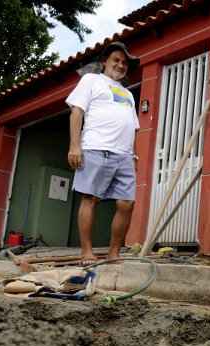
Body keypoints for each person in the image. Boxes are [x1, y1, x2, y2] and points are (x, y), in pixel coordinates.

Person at [65, 42, 140, 264]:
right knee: (90, 199)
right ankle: (86, 251)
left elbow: (131, 126)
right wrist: (74, 145)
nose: (120, 65)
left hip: (124, 155)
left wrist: (133, 154)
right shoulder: (91, 80)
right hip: (96, 148)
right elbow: (77, 111)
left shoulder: (128, 94)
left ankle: (113, 252)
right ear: (105, 62)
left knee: (127, 203)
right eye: (116, 60)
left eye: (124, 63)